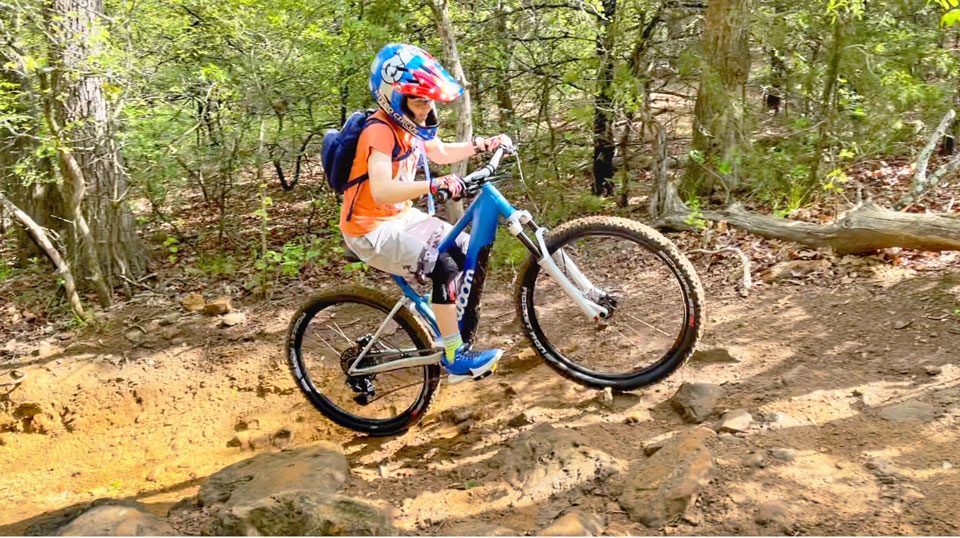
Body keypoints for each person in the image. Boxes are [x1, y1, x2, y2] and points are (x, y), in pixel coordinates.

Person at [339, 43, 512, 383]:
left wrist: (484, 144)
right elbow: (382, 189)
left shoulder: (411, 124)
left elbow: (441, 151)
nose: (426, 108)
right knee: (443, 266)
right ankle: (453, 355)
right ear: (394, 97)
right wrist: (432, 187)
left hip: (399, 218)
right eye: (419, 100)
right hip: (369, 230)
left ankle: (450, 326)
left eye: (429, 100)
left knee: (465, 249)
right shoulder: (380, 130)